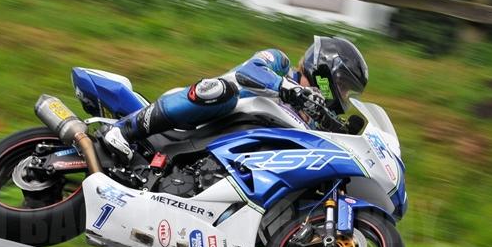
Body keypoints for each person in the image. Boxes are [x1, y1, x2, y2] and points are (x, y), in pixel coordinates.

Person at [103, 35, 369, 163]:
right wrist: (287, 88)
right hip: (199, 118)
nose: (343, 96)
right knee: (222, 92)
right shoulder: (280, 62)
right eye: (344, 87)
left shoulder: (309, 121)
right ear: (325, 71)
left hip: (218, 153)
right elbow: (249, 71)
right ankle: (125, 130)